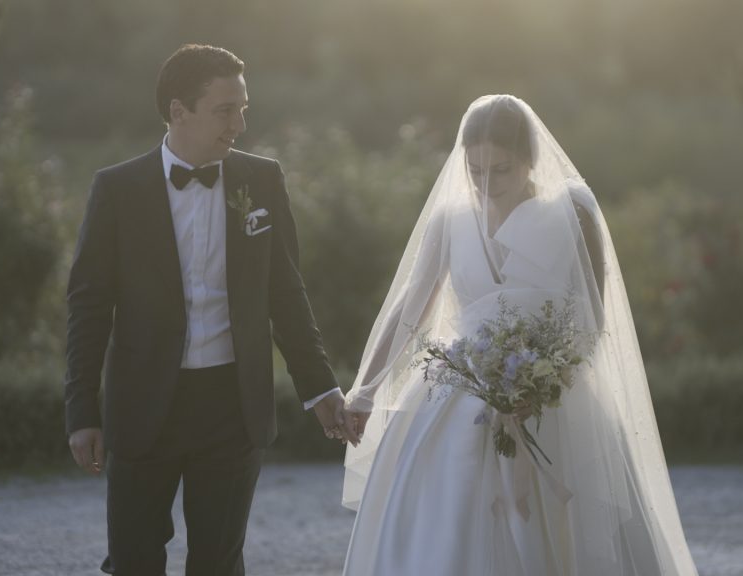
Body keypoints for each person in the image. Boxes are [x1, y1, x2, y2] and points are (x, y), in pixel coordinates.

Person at [340, 95, 698, 575]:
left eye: (501, 170)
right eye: (475, 171)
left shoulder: (573, 214)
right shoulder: (450, 220)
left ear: (530, 160)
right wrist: (365, 389)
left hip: (555, 396)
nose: (487, 185)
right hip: (456, 394)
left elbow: (592, 320)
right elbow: (410, 307)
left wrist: (545, 384)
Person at [63, 44, 356, 576]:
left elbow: (285, 293)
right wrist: (81, 411)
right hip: (143, 405)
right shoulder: (117, 189)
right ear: (179, 111)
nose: (239, 124)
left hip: (232, 407)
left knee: (219, 563)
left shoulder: (261, 180)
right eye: (226, 110)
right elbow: (87, 307)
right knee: (132, 560)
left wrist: (320, 387)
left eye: (244, 108)